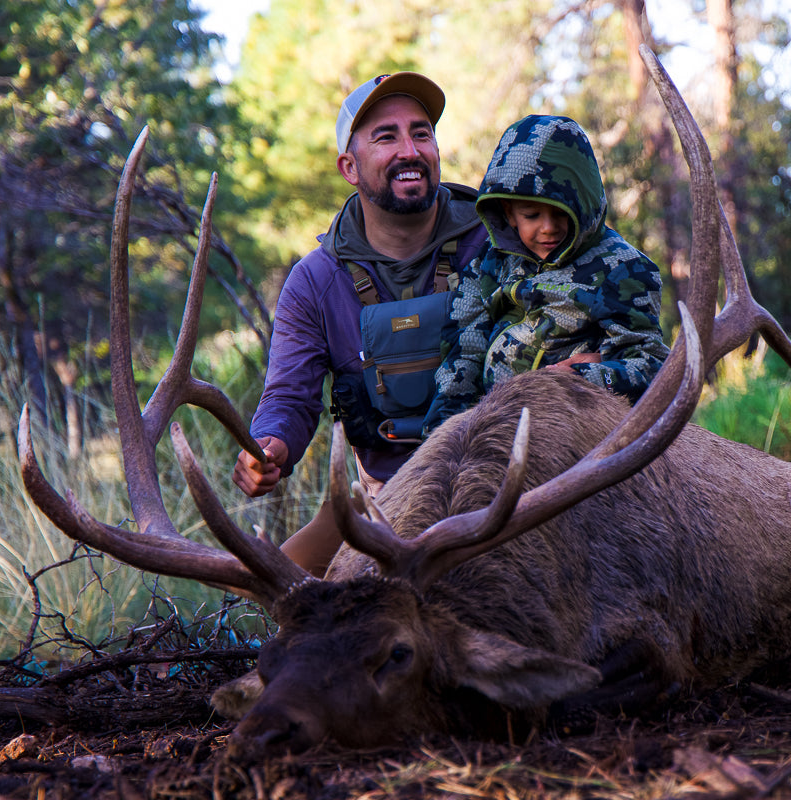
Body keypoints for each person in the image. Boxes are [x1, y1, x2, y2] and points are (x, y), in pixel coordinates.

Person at [232, 72, 485, 575]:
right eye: (386, 137)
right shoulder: (315, 281)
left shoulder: (498, 242)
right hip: (384, 502)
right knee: (271, 588)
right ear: (349, 167)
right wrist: (269, 447)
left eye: (421, 133)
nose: (410, 150)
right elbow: (289, 397)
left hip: (494, 489)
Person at [422, 114, 670, 434]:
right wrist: (444, 434)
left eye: (560, 213)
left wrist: (578, 380)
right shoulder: (489, 263)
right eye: (532, 215)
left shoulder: (624, 269)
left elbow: (651, 366)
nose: (548, 228)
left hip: (580, 429)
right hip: (494, 429)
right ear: (509, 213)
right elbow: (464, 353)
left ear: (584, 207)